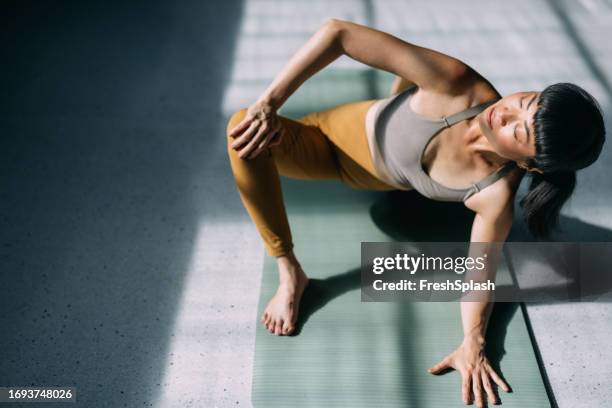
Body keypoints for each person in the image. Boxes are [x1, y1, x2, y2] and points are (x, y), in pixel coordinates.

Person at [226, 18, 605, 407]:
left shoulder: (495, 195)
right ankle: (290, 270)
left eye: (519, 133)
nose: (504, 114)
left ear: (531, 167)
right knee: (242, 130)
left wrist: (472, 342)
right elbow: (337, 33)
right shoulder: (457, 84)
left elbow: (479, 279)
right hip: (326, 142)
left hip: (380, 180)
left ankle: (406, 103)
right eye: (524, 102)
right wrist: (269, 102)